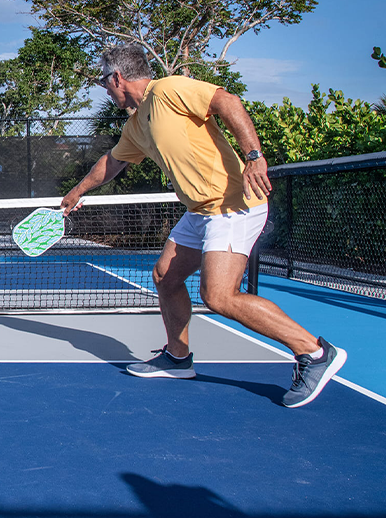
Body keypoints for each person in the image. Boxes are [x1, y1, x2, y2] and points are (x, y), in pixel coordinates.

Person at [61, 44, 345, 408]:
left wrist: (254, 157)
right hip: (200, 211)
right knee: (166, 276)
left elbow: (227, 101)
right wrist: (77, 191)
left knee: (219, 296)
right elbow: (113, 162)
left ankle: (315, 353)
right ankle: (178, 358)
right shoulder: (137, 123)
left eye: (104, 81)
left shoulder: (168, 89)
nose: (104, 88)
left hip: (233, 205)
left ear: (117, 78)